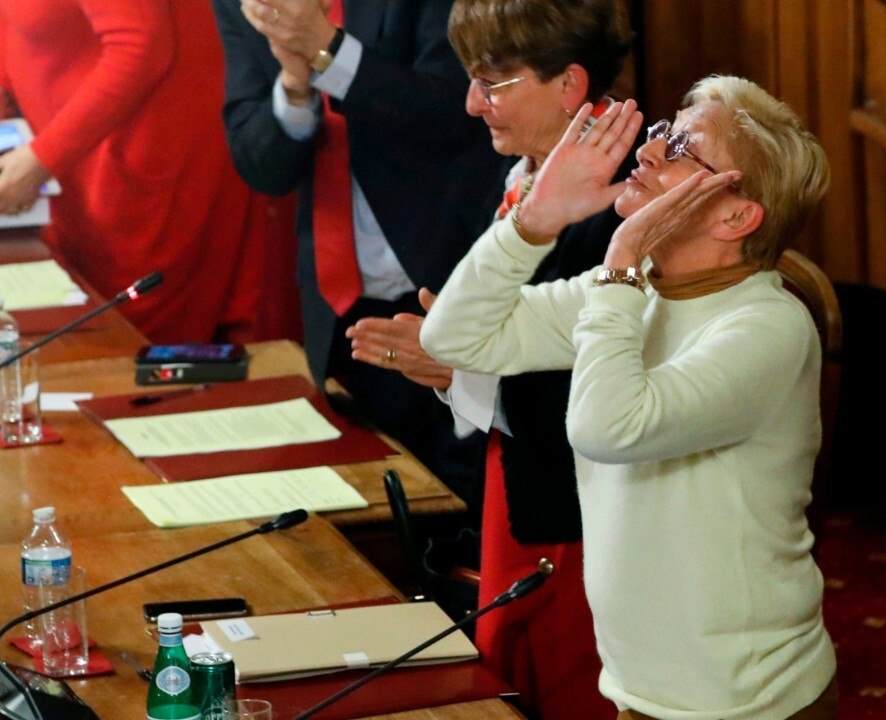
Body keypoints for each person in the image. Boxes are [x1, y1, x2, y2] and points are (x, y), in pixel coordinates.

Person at [420, 77, 838, 720]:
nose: (647, 150)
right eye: (660, 131)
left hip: (743, 701)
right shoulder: (634, 288)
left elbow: (605, 429)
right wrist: (536, 221)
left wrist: (619, 263)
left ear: (736, 215)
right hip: (641, 688)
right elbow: (453, 335)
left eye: (682, 146)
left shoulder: (766, 329)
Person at [344, 1, 631, 718]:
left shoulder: (621, 208)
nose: (472, 106)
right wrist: (456, 366)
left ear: (569, 85)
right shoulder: (510, 175)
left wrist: (458, 369)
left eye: (494, 84)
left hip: (583, 513)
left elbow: (606, 396)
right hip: (513, 486)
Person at [210, 0, 503, 502]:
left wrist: (329, 51)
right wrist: (295, 89)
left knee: (464, 511)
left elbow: (457, 110)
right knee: (375, 513)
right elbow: (261, 166)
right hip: (338, 305)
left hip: (450, 282)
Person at [0, 0, 266, 343]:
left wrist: (46, 156)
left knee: (128, 344)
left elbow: (140, 46)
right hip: (77, 146)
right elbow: (5, 10)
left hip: (146, 143)